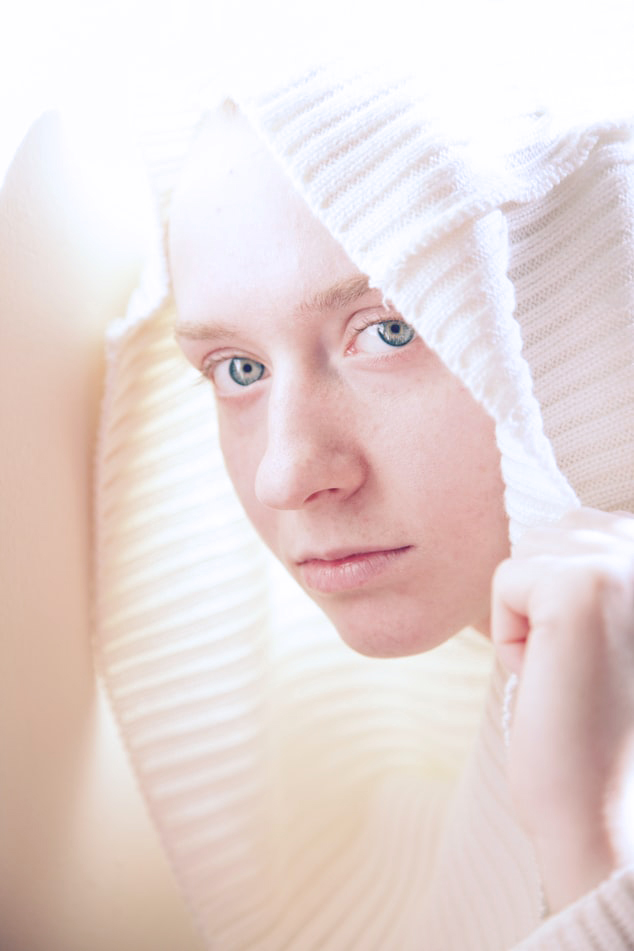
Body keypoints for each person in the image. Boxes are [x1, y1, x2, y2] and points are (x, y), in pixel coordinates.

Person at [96, 66, 634, 949]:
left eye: (391, 330)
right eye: (237, 369)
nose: (285, 474)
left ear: (572, 316)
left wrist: (590, 839)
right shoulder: (396, 810)